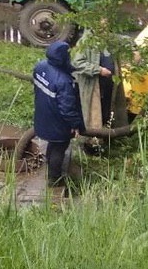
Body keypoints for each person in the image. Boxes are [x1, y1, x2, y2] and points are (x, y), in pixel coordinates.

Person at [33, 40, 85, 188]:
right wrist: (75, 125)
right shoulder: (64, 81)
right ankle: (54, 179)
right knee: (59, 147)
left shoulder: (40, 66)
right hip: (58, 122)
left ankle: (50, 165)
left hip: (43, 115)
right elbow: (67, 109)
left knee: (52, 143)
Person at [72, 28, 117, 129]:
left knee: (108, 108)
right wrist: (99, 70)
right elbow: (77, 63)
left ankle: (108, 131)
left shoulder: (110, 40)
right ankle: (93, 137)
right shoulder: (85, 42)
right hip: (94, 84)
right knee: (94, 112)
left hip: (109, 85)